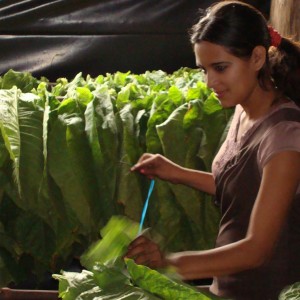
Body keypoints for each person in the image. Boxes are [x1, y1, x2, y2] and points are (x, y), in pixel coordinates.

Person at [125, 1, 300, 299]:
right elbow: (247, 188)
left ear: (257, 57)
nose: (210, 82)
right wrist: (175, 173)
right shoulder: (245, 111)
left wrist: (168, 263)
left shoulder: (285, 138)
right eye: (204, 69)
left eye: (220, 68)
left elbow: (255, 251)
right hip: (230, 289)